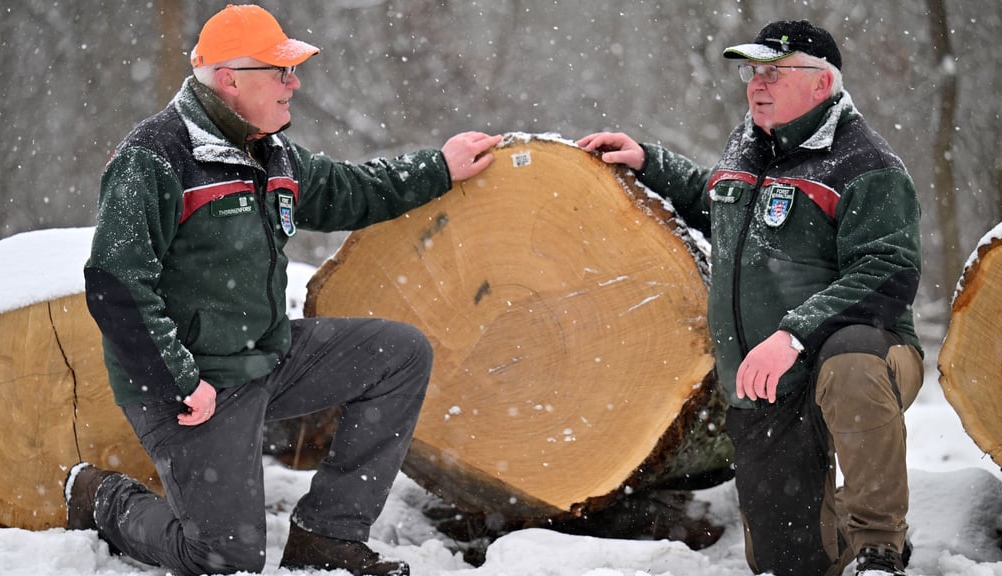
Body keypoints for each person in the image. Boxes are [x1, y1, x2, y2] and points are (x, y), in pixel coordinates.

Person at [66, 4, 501, 576]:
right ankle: (99, 497)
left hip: (264, 359)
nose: (293, 83)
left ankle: (327, 535)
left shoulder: (269, 153)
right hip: (194, 386)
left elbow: (353, 190)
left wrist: (439, 167)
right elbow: (115, 283)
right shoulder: (156, 156)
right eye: (280, 70)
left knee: (399, 354)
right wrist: (180, 379)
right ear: (230, 79)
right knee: (224, 559)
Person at [579, 20, 923, 576]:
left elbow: (888, 273)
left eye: (773, 72)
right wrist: (649, 161)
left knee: (852, 361)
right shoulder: (753, 142)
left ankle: (881, 546)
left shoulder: (866, 165)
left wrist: (792, 336)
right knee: (789, 565)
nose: (756, 85)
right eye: (752, 72)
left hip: (862, 360)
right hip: (766, 383)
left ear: (821, 84)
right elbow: (722, 209)